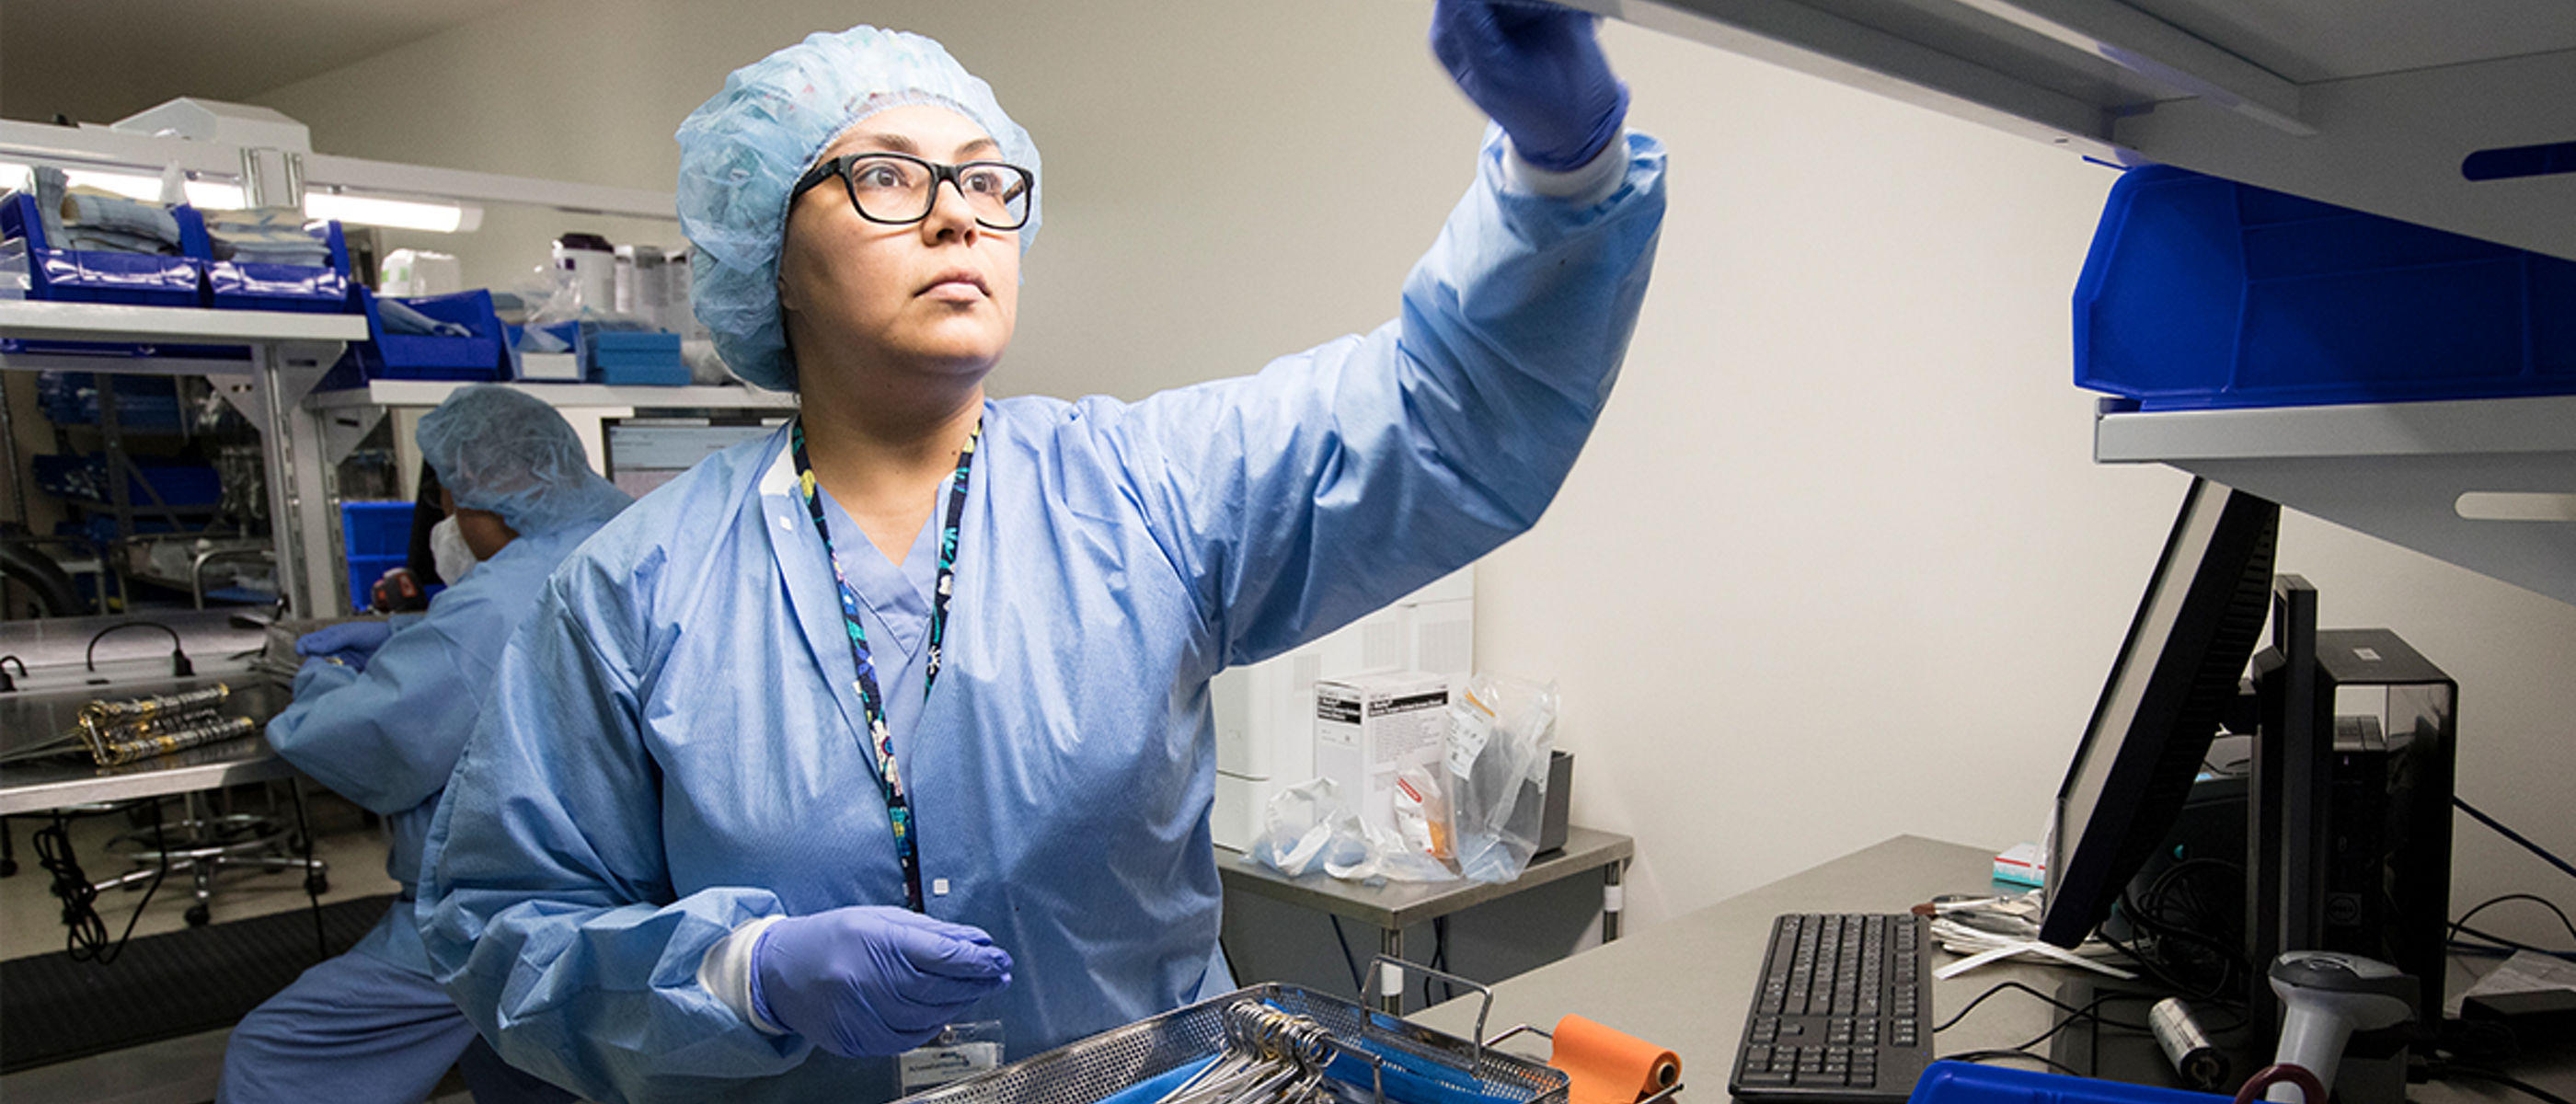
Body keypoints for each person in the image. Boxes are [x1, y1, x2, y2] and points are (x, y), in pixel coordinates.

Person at [420, 4, 1666, 1100]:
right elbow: (499, 933)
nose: (959, 211)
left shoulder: (1151, 489)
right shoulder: (632, 594)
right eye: (890, 179)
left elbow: (1442, 418)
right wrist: (742, 977)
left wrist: (1567, 169)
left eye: (985, 178)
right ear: (767, 259)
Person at [219, 385, 630, 1103]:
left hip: (503, 911)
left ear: (486, 497)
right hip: (623, 891)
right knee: (530, 1067)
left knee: (276, 1056)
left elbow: (373, 738)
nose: (447, 520)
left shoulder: (501, 596)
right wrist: (406, 635)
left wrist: (317, 681)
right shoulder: (628, 534)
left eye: (449, 500)